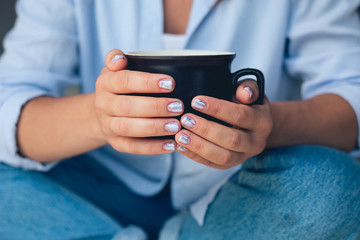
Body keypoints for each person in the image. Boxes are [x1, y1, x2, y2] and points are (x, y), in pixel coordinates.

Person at [0, 0, 360, 239]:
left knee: (334, 188)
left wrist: (266, 125)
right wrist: (99, 117)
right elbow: (9, 102)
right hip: (99, 192)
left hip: (239, 194)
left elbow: (352, 95)